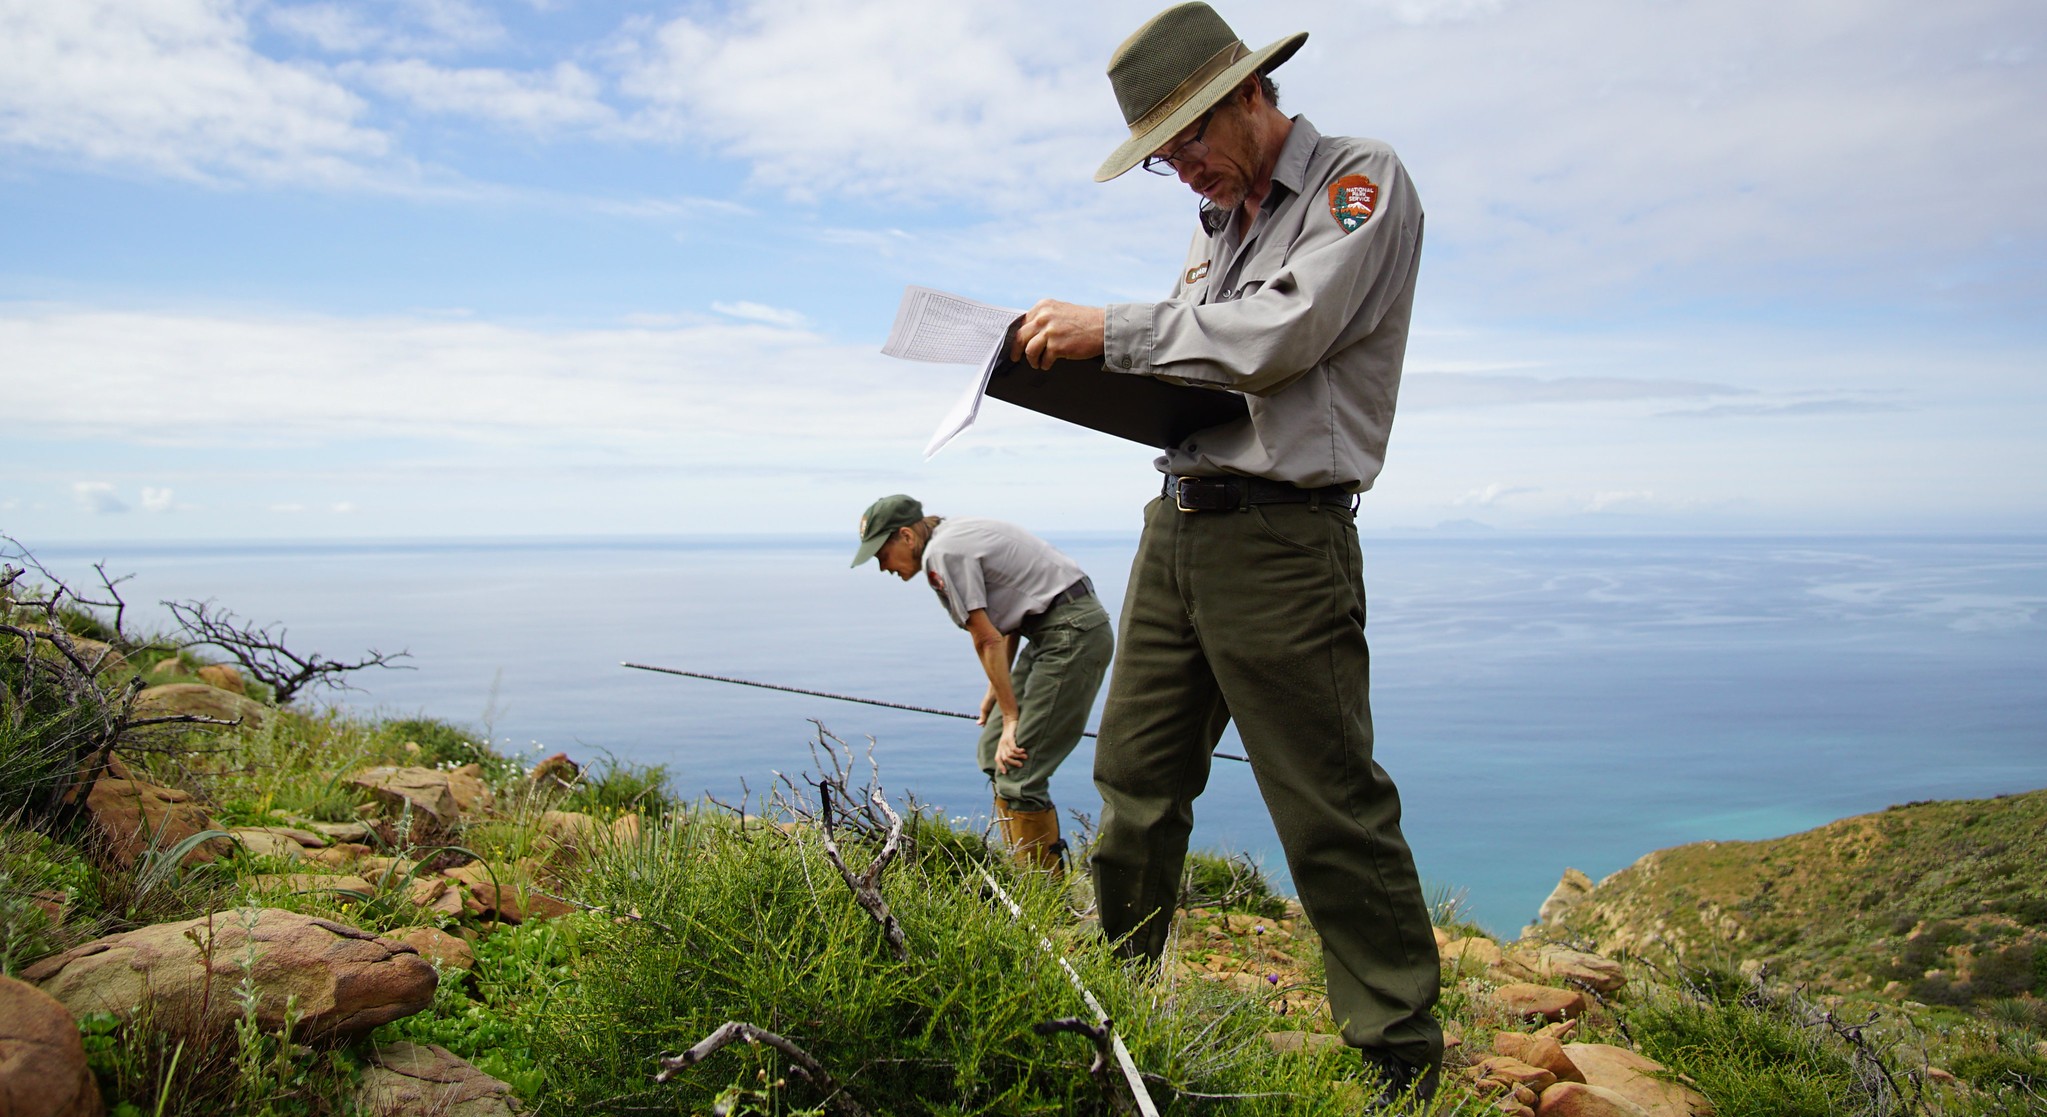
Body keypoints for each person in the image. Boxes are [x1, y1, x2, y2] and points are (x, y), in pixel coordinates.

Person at [1003, 2, 1444, 1100]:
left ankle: (1396, 1052)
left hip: (1285, 540)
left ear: (1248, 94)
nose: (1185, 171)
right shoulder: (1215, 221)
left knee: (1324, 797)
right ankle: (1109, 1011)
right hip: (1179, 522)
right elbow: (1194, 371)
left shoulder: (1359, 180)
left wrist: (1116, 329)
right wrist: (1066, 377)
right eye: (1163, 158)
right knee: (1133, 776)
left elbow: (1282, 333)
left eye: (1189, 140)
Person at [850, 494, 1112, 871]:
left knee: (1020, 771)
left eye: (881, 554)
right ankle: (1022, 872)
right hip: (1054, 629)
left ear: (906, 536)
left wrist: (1011, 719)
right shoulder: (953, 534)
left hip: (1071, 634)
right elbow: (1003, 621)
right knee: (994, 752)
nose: (882, 567)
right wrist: (997, 690)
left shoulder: (943, 555)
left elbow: (985, 637)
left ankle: (1045, 898)